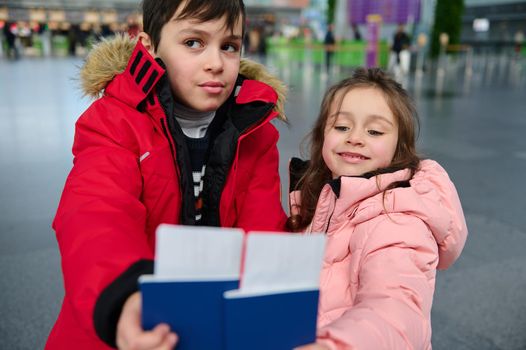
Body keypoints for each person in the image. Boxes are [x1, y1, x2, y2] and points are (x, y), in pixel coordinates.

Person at [46, 0, 288, 349]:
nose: (216, 63)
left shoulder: (256, 130)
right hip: (126, 321)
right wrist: (126, 297)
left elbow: (262, 227)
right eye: (193, 42)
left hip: (218, 325)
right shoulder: (114, 122)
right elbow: (95, 213)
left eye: (229, 46)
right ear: (148, 46)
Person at [288, 68, 468, 349]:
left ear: (400, 148)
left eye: (374, 131)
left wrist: (334, 345)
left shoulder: (397, 220)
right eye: (341, 127)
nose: (355, 137)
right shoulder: (324, 199)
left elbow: (396, 310)